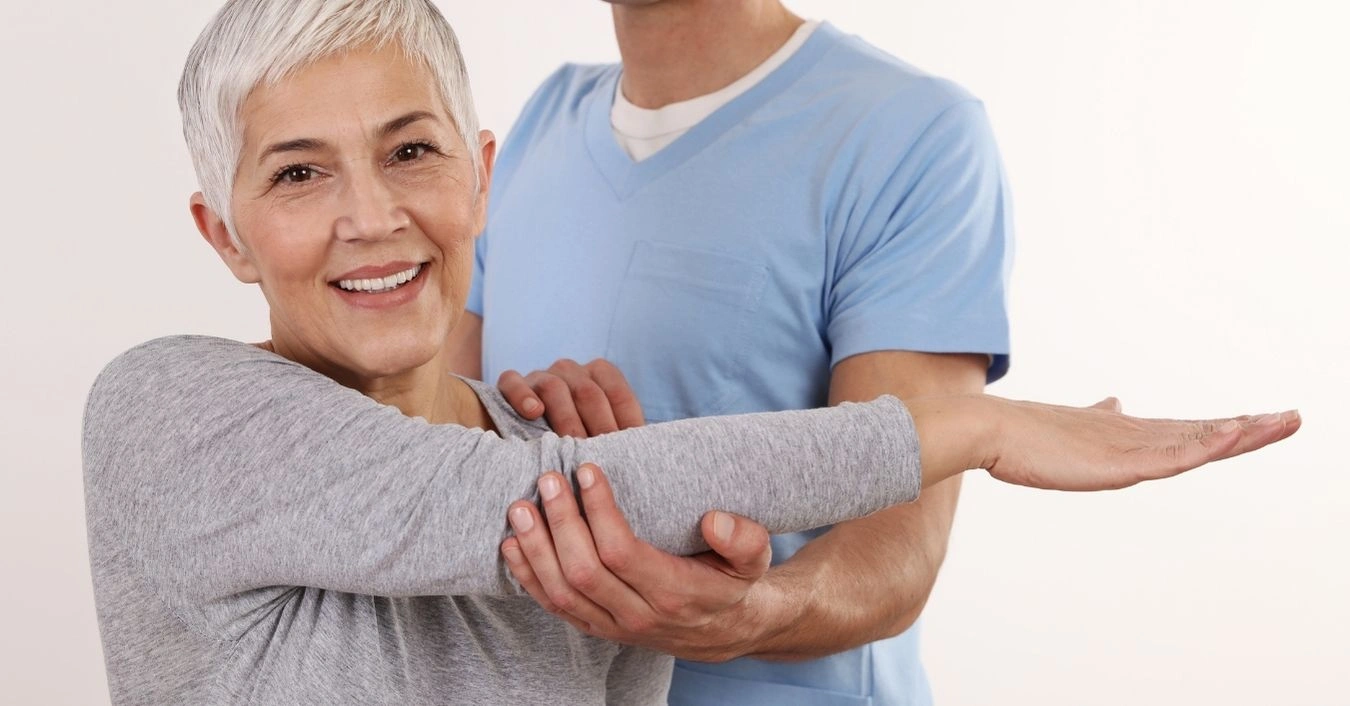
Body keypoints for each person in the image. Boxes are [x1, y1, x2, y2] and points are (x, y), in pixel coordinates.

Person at [82, 0, 1298, 704]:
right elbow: (451, 480)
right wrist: (980, 429)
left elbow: (886, 559)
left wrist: (747, 603)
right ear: (224, 230)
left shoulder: (910, 136)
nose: (372, 214)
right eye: (298, 173)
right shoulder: (172, 405)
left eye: (411, 154)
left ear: (473, 172)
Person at [452, 1, 1013, 703]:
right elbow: (430, 434)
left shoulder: (913, 134)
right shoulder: (541, 121)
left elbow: (897, 548)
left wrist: (750, 614)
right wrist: (518, 413)